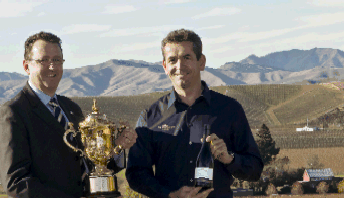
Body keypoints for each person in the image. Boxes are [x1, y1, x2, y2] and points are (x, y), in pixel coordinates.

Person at [125, 29, 264, 198]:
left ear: (201, 62)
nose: (179, 66)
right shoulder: (150, 116)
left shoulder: (230, 110)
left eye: (186, 57)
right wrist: (169, 195)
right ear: (164, 66)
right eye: (172, 60)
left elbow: (255, 169)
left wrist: (230, 158)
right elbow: (136, 174)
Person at [0, 31, 137, 198]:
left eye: (57, 60)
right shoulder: (14, 113)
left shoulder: (70, 108)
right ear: (26, 66)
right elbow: (16, 183)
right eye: (44, 60)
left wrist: (117, 147)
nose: (52, 66)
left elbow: (89, 165)